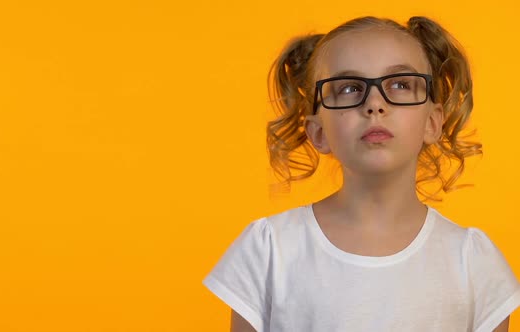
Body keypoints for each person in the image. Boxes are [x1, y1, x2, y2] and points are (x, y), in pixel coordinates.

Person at [202, 16, 520, 332]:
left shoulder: (474, 262)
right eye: (350, 88)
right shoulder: (269, 249)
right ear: (318, 132)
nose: (374, 104)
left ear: (432, 122)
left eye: (399, 84)